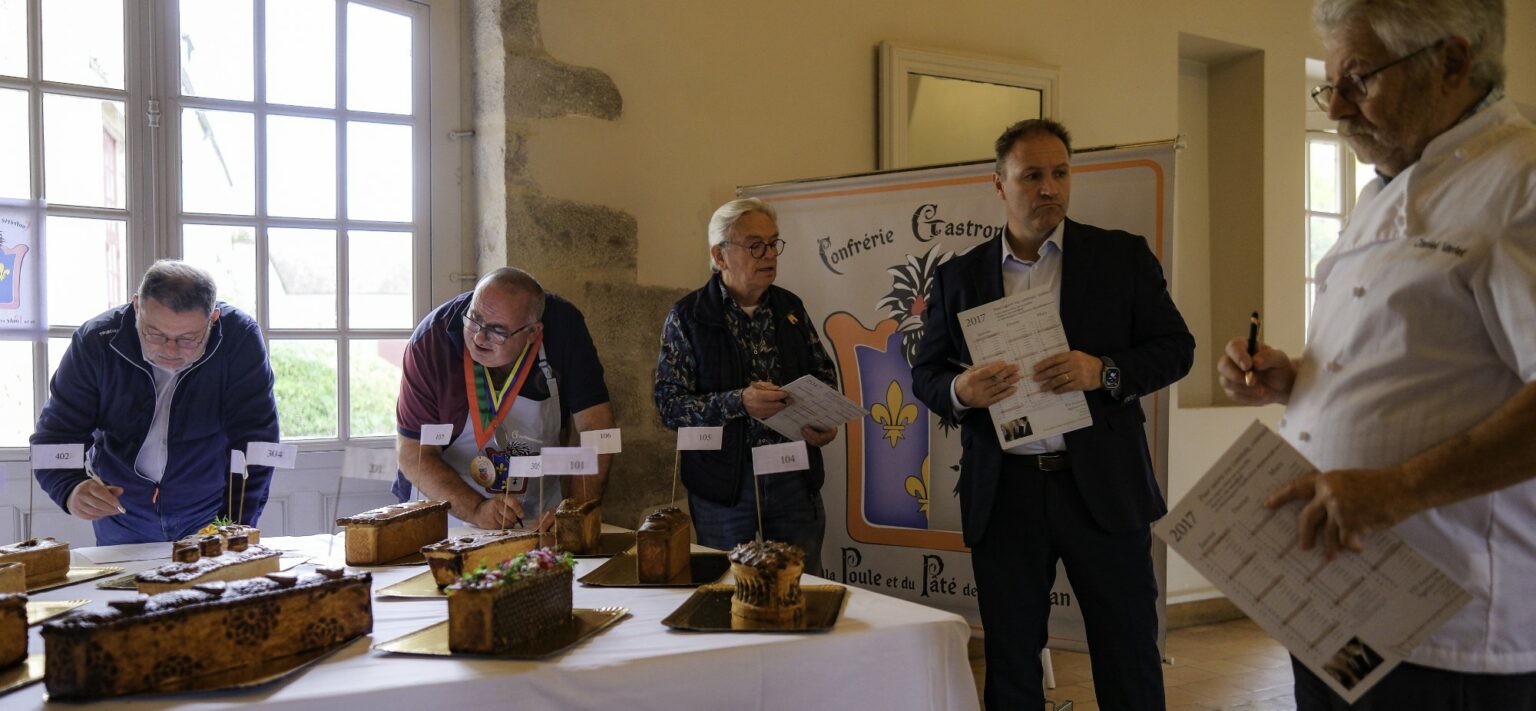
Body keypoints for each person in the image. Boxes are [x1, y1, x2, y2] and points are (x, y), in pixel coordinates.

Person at [1219, 1, 1536, 707]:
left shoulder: (1522, 181)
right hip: (1335, 604)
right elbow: (1420, 361)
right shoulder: (1380, 192)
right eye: (1328, 86)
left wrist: (1400, 488)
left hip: (1451, 629)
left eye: (1358, 80)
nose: (1335, 108)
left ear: (1452, 62)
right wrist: (1296, 380)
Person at [912, 118, 1194, 710]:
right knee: (1012, 661)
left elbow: (1176, 349)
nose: (1049, 188)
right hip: (1006, 492)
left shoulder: (1120, 256)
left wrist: (1104, 371)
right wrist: (962, 388)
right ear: (999, 184)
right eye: (1032, 175)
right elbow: (927, 374)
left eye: (1061, 173)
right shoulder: (960, 275)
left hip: (1104, 488)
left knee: (1129, 654)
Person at [31, 260, 280, 545]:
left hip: (208, 509)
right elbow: (56, 436)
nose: (170, 350)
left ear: (213, 318)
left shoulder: (239, 338)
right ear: (137, 306)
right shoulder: (96, 341)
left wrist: (234, 524)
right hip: (123, 513)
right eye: (154, 334)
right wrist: (70, 487)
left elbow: (258, 442)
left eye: (188, 338)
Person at [654, 197, 839, 573]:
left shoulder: (790, 308)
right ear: (719, 255)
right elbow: (669, 405)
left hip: (793, 476)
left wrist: (823, 419)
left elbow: (824, 375)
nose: (768, 254)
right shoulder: (689, 316)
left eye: (773, 243)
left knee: (801, 587)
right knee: (728, 587)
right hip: (724, 485)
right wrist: (739, 402)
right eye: (755, 245)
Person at [395, 267, 613, 531]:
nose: (479, 337)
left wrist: (575, 516)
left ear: (532, 333)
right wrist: (476, 509)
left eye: (497, 330)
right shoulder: (430, 341)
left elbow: (599, 431)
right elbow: (413, 453)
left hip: (537, 512)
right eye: (474, 318)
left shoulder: (565, 329)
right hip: (447, 511)